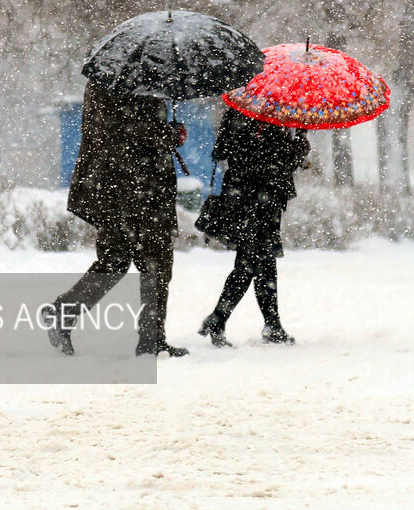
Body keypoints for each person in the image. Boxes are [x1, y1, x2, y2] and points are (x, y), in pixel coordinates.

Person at [43, 81, 188, 357]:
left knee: (120, 261)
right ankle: (150, 340)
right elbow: (126, 134)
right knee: (151, 263)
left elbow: (123, 133)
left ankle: (65, 313)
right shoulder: (122, 85)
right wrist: (166, 135)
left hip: (124, 191)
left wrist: (164, 133)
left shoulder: (124, 80)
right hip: (133, 192)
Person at [198, 107, 309, 347]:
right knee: (252, 263)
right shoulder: (253, 118)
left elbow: (271, 163)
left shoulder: (251, 115)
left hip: (259, 200)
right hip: (253, 201)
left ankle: (270, 324)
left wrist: (299, 143)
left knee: (262, 262)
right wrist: (293, 148)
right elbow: (264, 163)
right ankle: (222, 318)